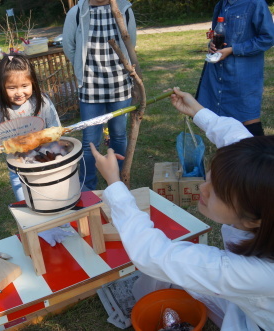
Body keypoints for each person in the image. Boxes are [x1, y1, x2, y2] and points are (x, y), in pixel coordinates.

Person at [91, 87, 274, 330]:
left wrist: (114, 184)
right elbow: (237, 138)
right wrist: (197, 111)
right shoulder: (264, 191)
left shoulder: (252, 274)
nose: (202, 188)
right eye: (209, 178)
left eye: (216, 191)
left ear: (254, 220)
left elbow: (153, 254)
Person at [0, 54, 73, 247]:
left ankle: (63, 226)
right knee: (29, 206)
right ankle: (39, 234)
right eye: (12, 88)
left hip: (47, 164)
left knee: (54, 198)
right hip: (19, 169)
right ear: (2, 87)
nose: (19, 92)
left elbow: (55, 127)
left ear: (33, 82)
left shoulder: (42, 101)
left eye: (24, 86)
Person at [62, 0, 136, 190]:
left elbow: (130, 43)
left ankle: (117, 181)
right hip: (90, 86)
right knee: (89, 142)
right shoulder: (77, 13)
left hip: (119, 85)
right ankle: (88, 186)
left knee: (118, 136)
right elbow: (69, 47)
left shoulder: (124, 9)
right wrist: (83, 68)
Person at [196, 0, 274, 136]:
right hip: (218, 72)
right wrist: (212, 44)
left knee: (248, 120)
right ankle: (231, 155)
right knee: (222, 123)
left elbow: (267, 38)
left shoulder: (255, 3)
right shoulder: (221, 4)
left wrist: (233, 49)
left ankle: (261, 155)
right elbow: (217, 34)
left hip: (243, 75)